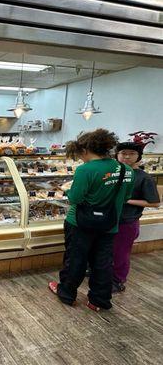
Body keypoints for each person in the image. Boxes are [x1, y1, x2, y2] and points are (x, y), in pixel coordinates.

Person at [48, 129, 134, 311]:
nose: (81, 158)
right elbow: (126, 197)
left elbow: (75, 199)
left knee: (75, 259)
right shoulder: (126, 170)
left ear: (85, 150)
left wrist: (66, 189)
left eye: (80, 154)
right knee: (103, 262)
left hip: (80, 223)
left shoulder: (85, 170)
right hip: (109, 223)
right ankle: (99, 300)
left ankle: (67, 294)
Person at [113, 142, 160, 293]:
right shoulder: (114, 173)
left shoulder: (144, 178)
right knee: (107, 251)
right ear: (117, 155)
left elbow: (154, 203)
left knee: (121, 253)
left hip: (127, 221)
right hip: (109, 219)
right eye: (123, 153)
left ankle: (118, 280)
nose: (126, 156)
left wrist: (126, 200)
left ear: (138, 156)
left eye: (131, 153)